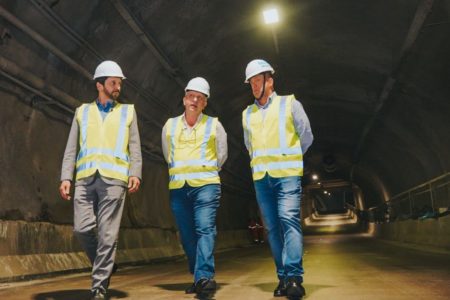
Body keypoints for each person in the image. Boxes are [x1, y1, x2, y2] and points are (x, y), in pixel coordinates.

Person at [59, 60, 142, 300]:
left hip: (114, 180)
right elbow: (70, 148)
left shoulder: (128, 112)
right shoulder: (82, 112)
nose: (118, 87)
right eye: (113, 83)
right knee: (82, 229)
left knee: (107, 235)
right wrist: (66, 177)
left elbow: (134, 147)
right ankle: (105, 264)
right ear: (99, 85)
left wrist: (134, 171)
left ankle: (98, 287)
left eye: (119, 83)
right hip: (85, 179)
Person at [241, 59, 313, 299]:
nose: (254, 85)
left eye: (258, 80)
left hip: (288, 176)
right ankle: (282, 278)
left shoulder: (290, 104)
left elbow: (306, 136)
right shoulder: (247, 113)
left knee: (288, 220)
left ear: (269, 81)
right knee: (272, 229)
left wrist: (290, 158)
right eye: (251, 82)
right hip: (262, 178)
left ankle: (294, 277)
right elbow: (249, 146)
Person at [161, 77, 227, 295]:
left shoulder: (214, 125)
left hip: (206, 186)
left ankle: (204, 277)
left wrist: (205, 171)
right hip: (179, 188)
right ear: (184, 99)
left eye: (200, 98)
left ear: (205, 103)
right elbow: (167, 154)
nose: (195, 100)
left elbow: (222, 156)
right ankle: (197, 274)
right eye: (192, 96)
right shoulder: (170, 126)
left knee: (205, 229)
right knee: (187, 235)